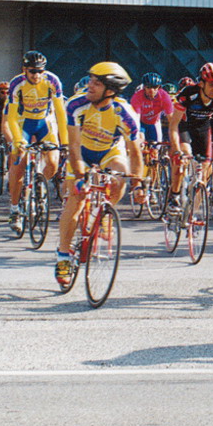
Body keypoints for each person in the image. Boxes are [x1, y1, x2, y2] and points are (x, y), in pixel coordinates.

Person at [54, 63, 142, 285]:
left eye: (97, 83)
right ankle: (63, 255)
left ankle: (105, 213)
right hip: (81, 153)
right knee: (76, 199)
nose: (90, 86)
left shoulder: (125, 113)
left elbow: (134, 153)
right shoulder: (76, 104)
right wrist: (80, 177)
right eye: (91, 80)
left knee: (121, 175)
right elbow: (73, 146)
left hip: (108, 152)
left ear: (110, 90)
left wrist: (138, 185)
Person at [5, 51, 67, 230]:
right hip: (23, 123)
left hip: (45, 123)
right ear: (25, 70)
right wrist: (18, 140)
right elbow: (11, 117)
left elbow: (60, 113)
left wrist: (65, 142)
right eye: (33, 71)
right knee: (18, 165)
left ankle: (39, 185)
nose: (37, 75)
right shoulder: (17, 83)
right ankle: (15, 210)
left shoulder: (52, 81)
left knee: (53, 163)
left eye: (40, 71)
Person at [168, 63, 213, 201]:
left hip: (203, 128)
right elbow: (174, 125)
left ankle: (195, 209)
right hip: (185, 127)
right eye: (211, 85)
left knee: (205, 170)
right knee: (183, 159)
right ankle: (174, 196)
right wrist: (176, 150)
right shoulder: (188, 94)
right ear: (201, 83)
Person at [129, 72, 174, 146]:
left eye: (155, 87)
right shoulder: (137, 97)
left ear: (159, 87)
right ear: (144, 87)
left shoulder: (164, 97)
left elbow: (172, 120)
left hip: (154, 122)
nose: (152, 90)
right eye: (148, 87)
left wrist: (174, 140)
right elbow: (136, 120)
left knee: (157, 146)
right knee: (140, 141)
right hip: (141, 122)